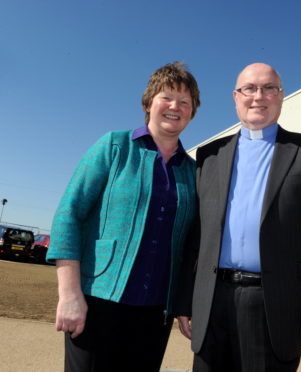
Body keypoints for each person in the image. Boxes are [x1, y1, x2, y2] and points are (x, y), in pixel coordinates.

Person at [176, 63, 301, 371]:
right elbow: (194, 236)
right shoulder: (209, 156)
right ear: (235, 97)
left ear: (281, 96)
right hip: (212, 302)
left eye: (268, 88)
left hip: (275, 305)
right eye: (249, 89)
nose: (258, 96)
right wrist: (185, 301)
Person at [46, 61, 200, 372]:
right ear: (148, 102)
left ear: (193, 112)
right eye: (167, 97)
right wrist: (69, 294)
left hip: (156, 312)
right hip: (97, 301)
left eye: (185, 102)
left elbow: (193, 246)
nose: (175, 107)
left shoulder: (194, 172)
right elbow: (69, 215)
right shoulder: (114, 146)